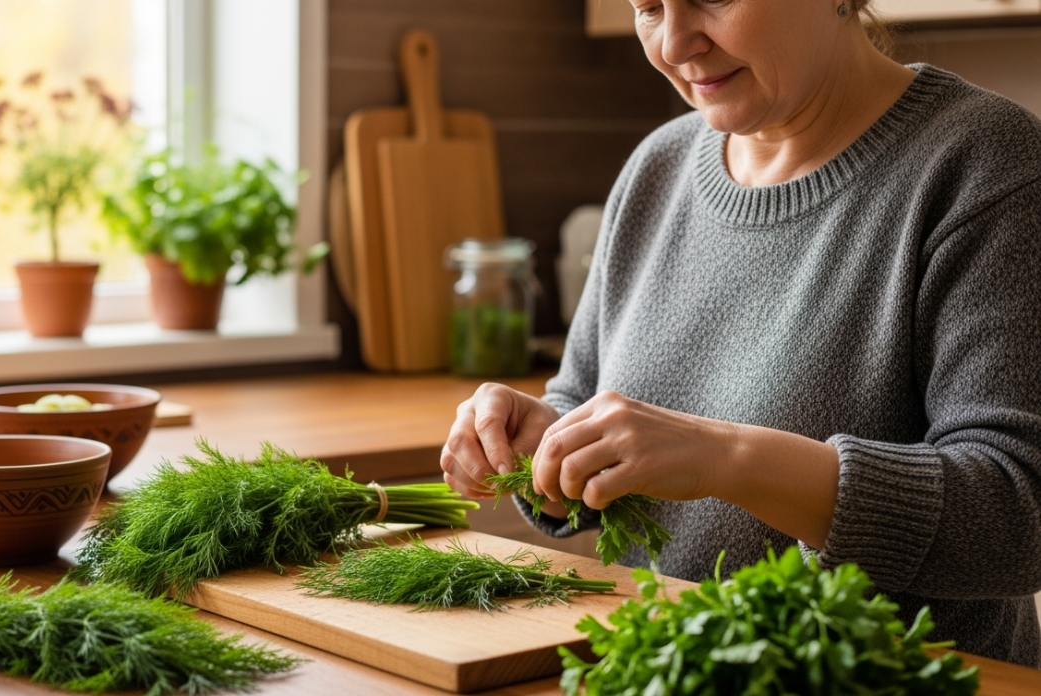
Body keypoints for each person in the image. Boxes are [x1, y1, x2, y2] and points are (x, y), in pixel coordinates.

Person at [440, 0, 1041, 667]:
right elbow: (582, 402)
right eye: (647, 7)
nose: (673, 43)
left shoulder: (985, 163)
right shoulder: (656, 169)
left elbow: (1019, 512)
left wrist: (720, 457)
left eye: (711, 0)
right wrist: (541, 441)